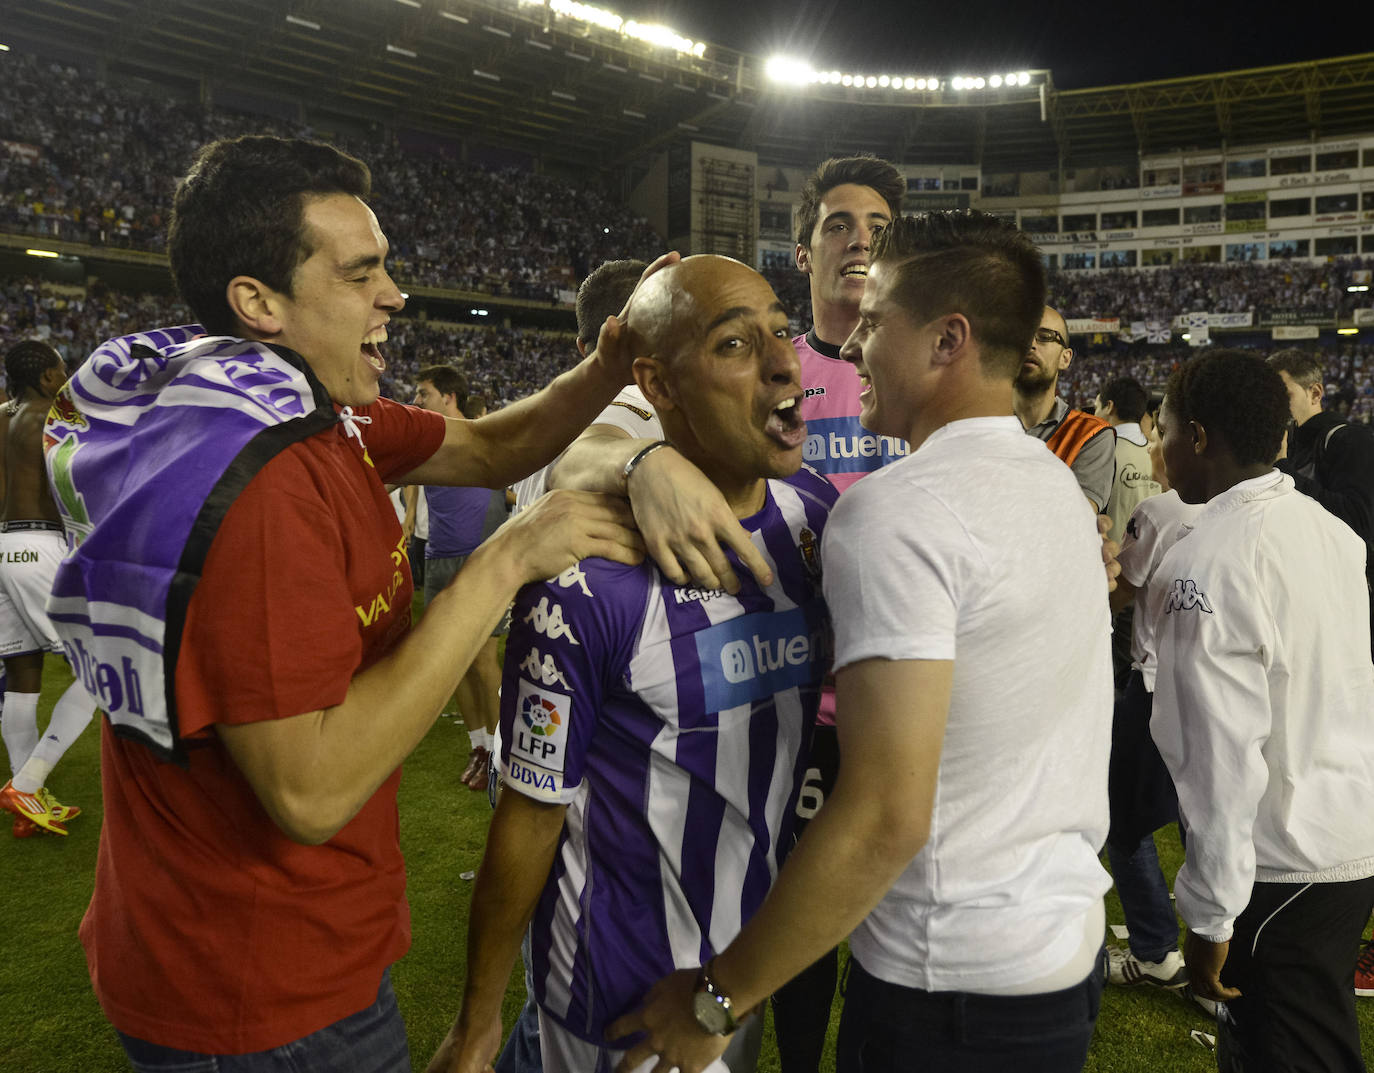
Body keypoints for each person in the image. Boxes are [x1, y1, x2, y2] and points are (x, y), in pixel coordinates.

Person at [44, 134, 649, 1071]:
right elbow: (312, 790)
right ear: (259, 302)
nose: (396, 296)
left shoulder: (286, 402)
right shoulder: (264, 485)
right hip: (258, 982)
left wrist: (607, 367)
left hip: (214, 930)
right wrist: (506, 558)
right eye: (362, 273)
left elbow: (487, 447)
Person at [612, 211, 1113, 1073]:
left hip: (949, 979)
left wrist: (718, 996)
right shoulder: (1054, 484)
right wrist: (636, 459)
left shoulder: (902, 509)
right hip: (1058, 954)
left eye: (877, 323)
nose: (848, 352)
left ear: (947, 340)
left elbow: (885, 814)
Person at [425, 254, 837, 1073]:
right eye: (734, 344)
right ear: (658, 383)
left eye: (781, 332)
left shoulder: (817, 520)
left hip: (741, 967)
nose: (787, 362)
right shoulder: (591, 576)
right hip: (616, 1004)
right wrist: (476, 1020)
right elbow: (530, 814)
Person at [547, 158, 906, 1073]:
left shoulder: (905, 378)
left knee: (846, 925)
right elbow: (584, 440)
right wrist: (637, 461)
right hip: (766, 697)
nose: (861, 240)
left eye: (881, 228)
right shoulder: (762, 360)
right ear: (806, 249)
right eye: (840, 224)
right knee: (764, 926)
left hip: (866, 700)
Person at [1152, 350, 1374, 1072]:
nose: (1158, 446)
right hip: (1344, 840)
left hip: (1280, 862)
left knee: (1288, 1051)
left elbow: (1220, 757)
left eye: (1165, 427)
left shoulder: (1207, 560)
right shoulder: (1330, 531)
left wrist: (1211, 912)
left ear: (1200, 437)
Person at [1100, 415, 1202, 996]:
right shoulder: (1262, 510)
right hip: (1220, 687)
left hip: (1157, 685)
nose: (1154, 445)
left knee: (1125, 822)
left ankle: (1156, 950)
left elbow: (1123, 588)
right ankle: (1229, 947)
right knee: (1207, 818)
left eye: (1160, 432)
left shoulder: (1163, 512)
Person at [0, 340, 95, 837]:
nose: (67, 377)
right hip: (39, 548)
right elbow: (84, 484)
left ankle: (27, 802)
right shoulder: (54, 418)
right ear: (44, 379)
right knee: (99, 668)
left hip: (1, 549)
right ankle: (30, 783)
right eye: (62, 370)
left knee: (22, 675)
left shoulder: (2, 414)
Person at [411, 364, 508, 791]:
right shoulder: (421, 440)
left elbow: (516, 485)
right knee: (457, 665)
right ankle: (481, 748)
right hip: (438, 561)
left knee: (485, 664)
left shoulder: (487, 433)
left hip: (481, 560)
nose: (417, 402)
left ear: (448, 397)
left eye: (423, 394)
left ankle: (506, 754)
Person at [1268, 348, 1374, 655]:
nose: (1275, 406)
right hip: (1304, 600)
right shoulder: (1290, 444)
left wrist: (1284, 472)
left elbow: (1360, 522)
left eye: (1283, 394)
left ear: (1315, 392)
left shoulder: (1350, 439)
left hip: (1346, 607)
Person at [1014, 306, 1115, 511]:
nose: (1030, 344)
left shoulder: (1090, 434)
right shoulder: (975, 423)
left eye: (1044, 336)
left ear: (1065, 358)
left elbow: (1074, 521)